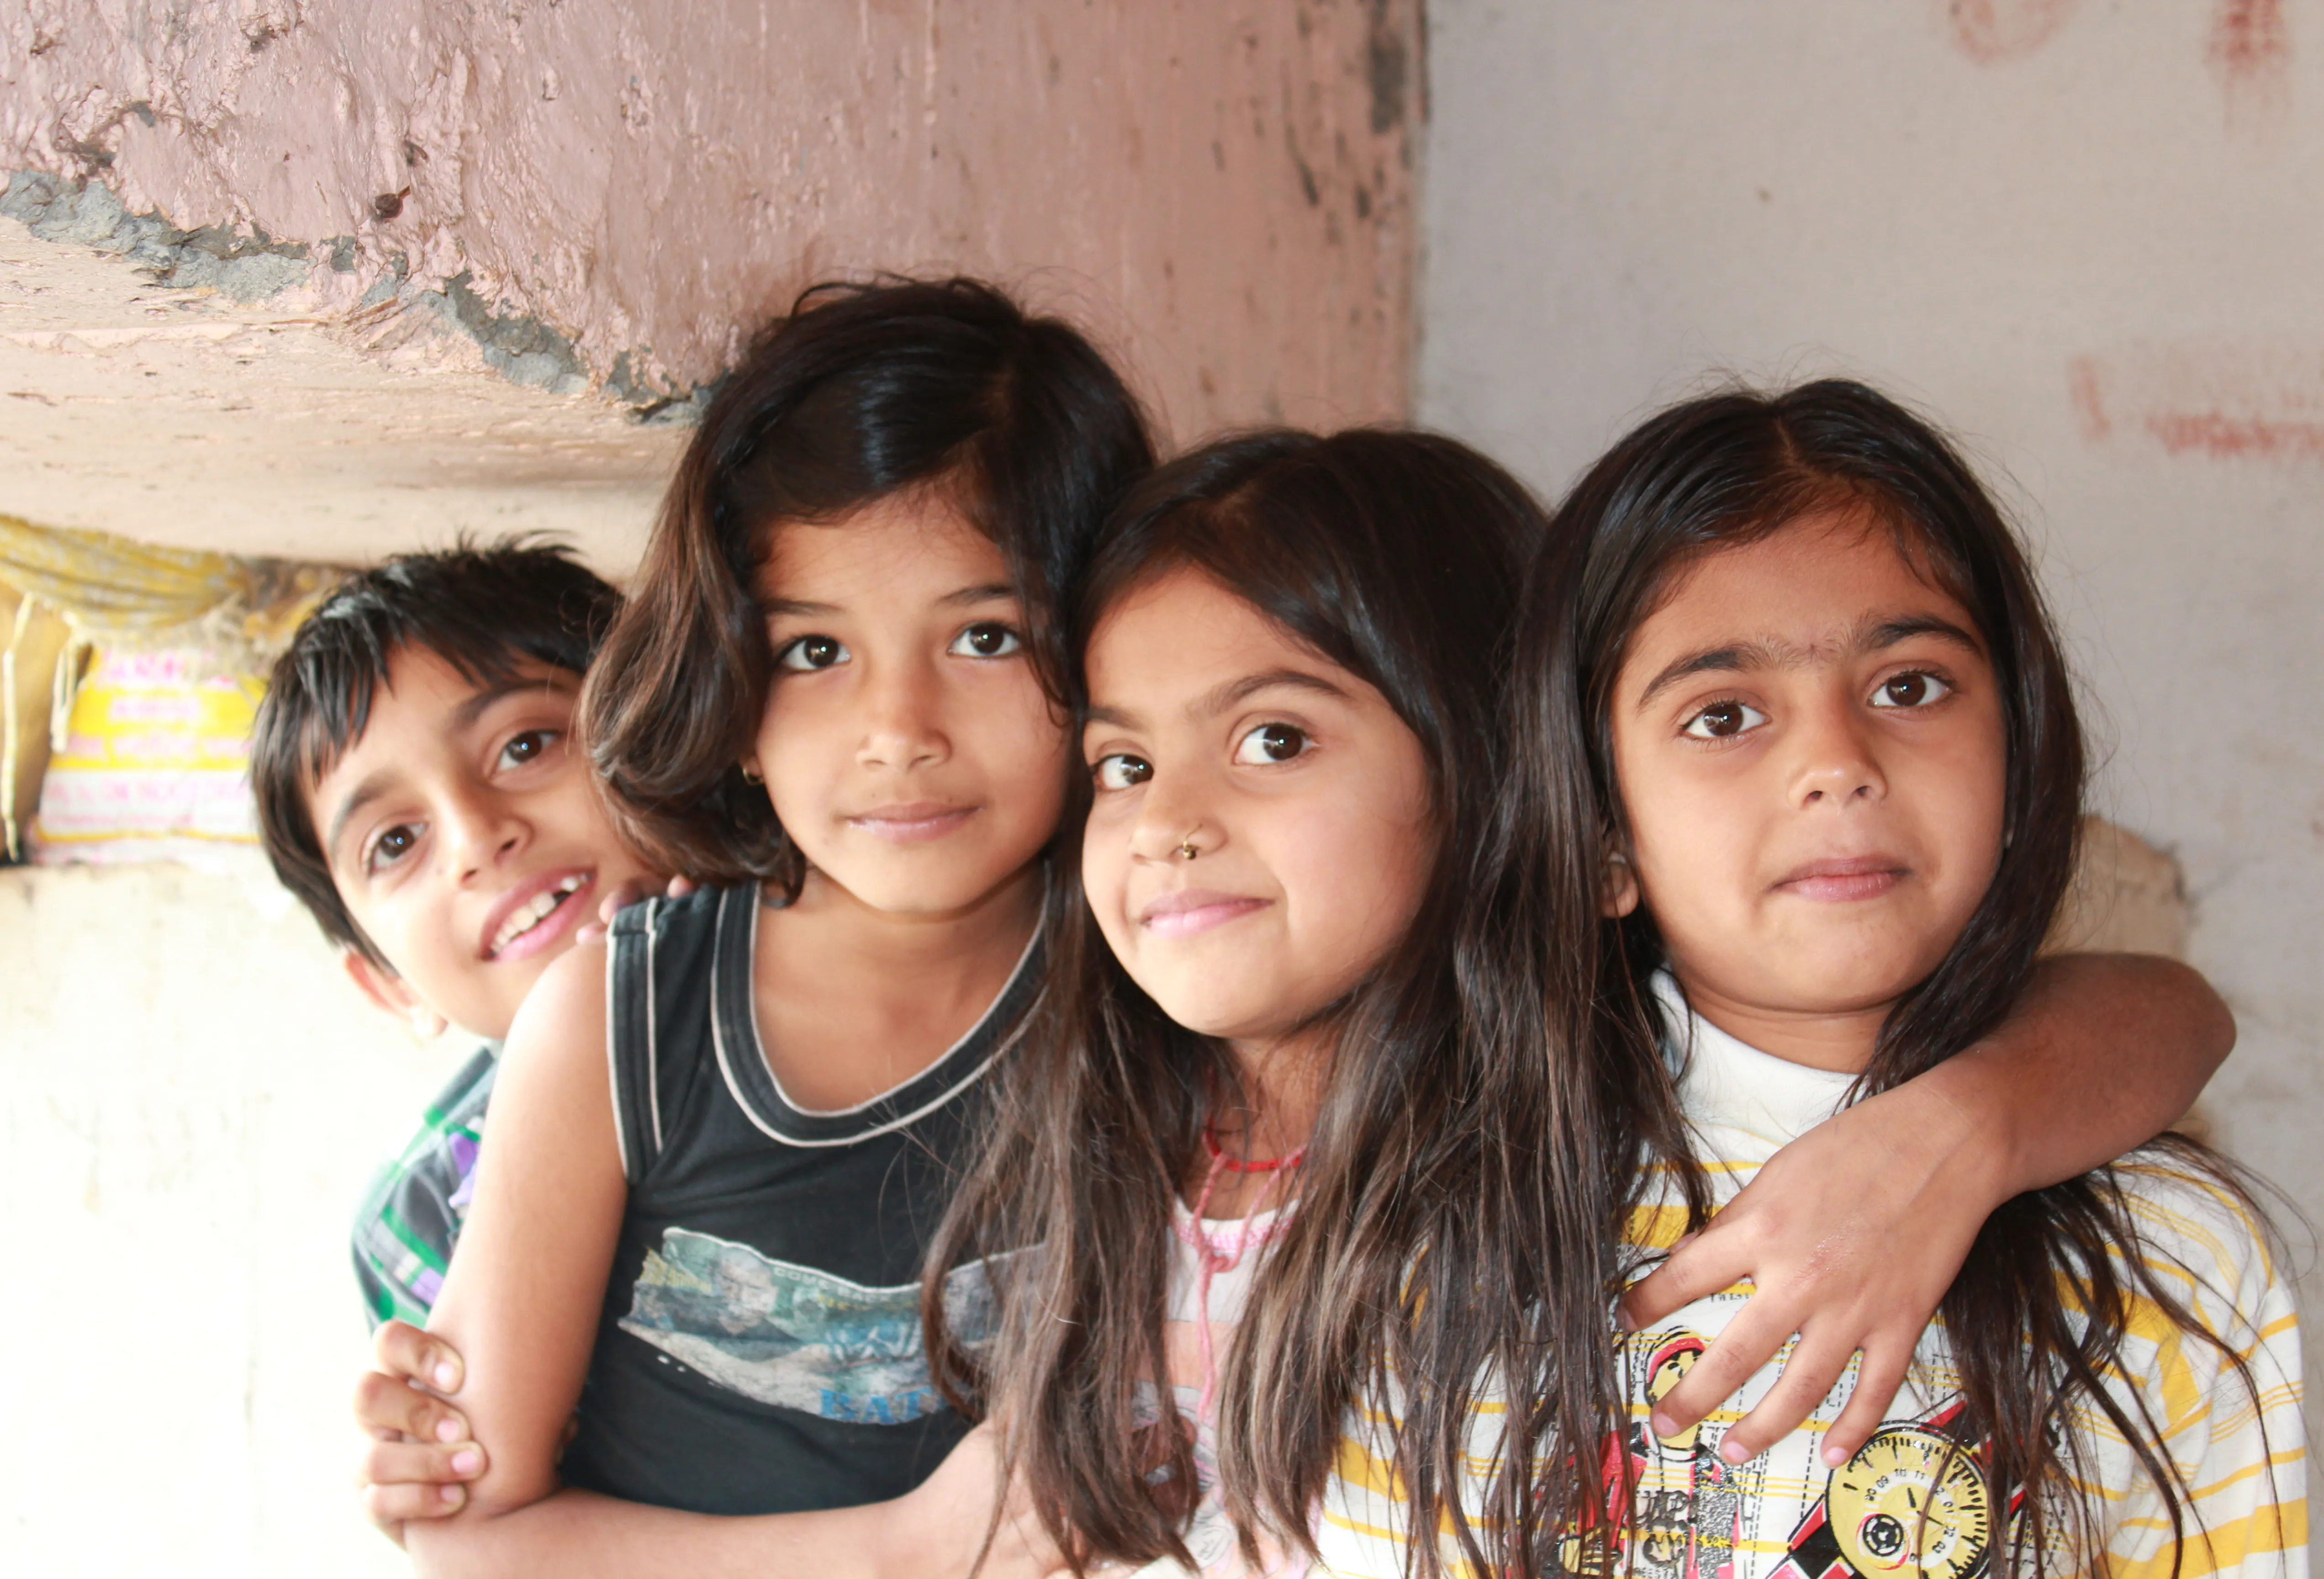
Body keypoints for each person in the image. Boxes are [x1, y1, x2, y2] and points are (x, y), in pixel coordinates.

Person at [924, 425, 2245, 1579]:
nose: (1170, 823)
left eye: (1274, 740)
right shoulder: (1206, 1151)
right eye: (1122, 764)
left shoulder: (1501, 1148)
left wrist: (1966, 1125)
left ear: (1509, 782)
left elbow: (2160, 1015)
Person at [1320, 382, 2302, 1579]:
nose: (1837, 763)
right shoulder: (1450, 1219)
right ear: (1603, 838)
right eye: (1725, 715)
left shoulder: (2173, 1253)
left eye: (1908, 687)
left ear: (2021, 759)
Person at [381, 278, 1154, 1577]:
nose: (898, 731)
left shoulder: (1156, 994)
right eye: (814, 652)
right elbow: (468, 1537)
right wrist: (900, 1556)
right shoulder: (621, 1024)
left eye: (985, 636)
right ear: (731, 689)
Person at [249, 543, 659, 1332]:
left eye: (524, 747)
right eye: (396, 843)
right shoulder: (420, 1227)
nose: (477, 837)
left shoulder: (873, 977)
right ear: (390, 985)